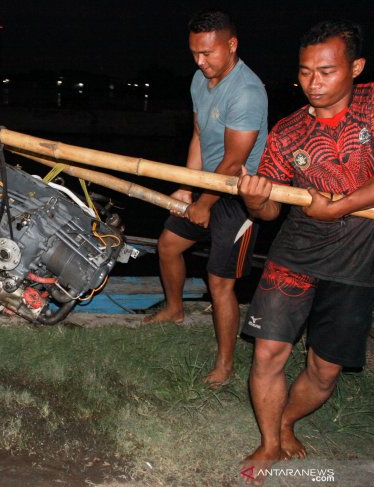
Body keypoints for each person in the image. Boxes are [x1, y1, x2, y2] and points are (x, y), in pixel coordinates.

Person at [237, 20, 374, 480]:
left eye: (326, 71)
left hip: (357, 263)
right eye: (304, 72)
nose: (313, 83)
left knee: (324, 370)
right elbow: (266, 215)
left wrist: (340, 208)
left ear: (355, 67)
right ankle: (268, 442)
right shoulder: (287, 132)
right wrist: (256, 199)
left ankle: (286, 419)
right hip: (295, 255)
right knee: (268, 354)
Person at [145, 9, 268, 386]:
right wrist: (186, 184)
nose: (201, 62)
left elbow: (233, 162)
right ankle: (175, 310)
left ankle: (225, 364)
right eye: (195, 53)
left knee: (220, 283)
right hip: (206, 184)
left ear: (231, 45)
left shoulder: (247, 91)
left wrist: (204, 204)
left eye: (209, 53)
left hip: (239, 193)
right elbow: (199, 135)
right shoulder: (201, 79)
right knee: (167, 245)